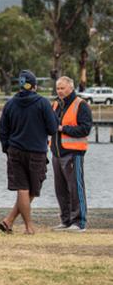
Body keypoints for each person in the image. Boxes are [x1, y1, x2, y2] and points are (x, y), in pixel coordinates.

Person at [0, 70, 58, 235]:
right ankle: (29, 227)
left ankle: (9, 221)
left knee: (22, 189)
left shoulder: (10, 104)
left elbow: (3, 131)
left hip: (15, 150)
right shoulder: (43, 103)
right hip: (37, 151)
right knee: (31, 189)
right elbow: (53, 128)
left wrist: (7, 149)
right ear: (35, 86)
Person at [50, 76, 92, 232]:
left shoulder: (81, 105)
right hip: (56, 153)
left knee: (76, 188)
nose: (59, 91)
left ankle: (79, 222)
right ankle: (66, 220)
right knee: (60, 189)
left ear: (71, 88)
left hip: (73, 153)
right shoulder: (55, 104)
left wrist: (63, 128)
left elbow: (85, 129)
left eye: (62, 88)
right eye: (58, 88)